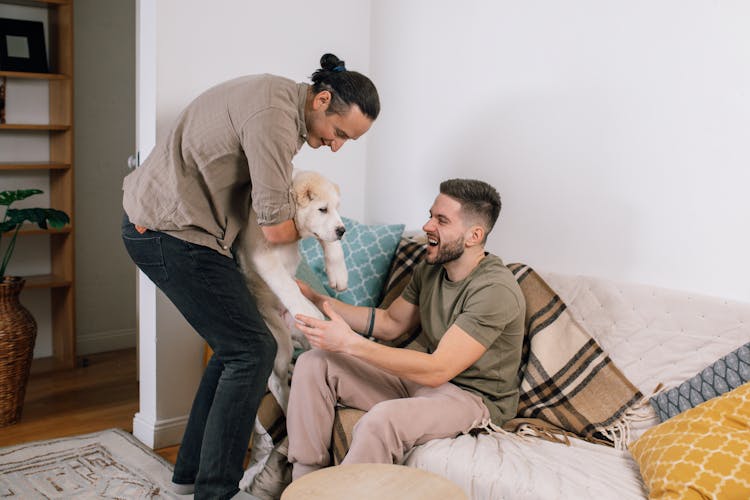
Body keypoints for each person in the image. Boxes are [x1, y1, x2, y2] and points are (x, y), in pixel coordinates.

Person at [120, 53, 379, 500]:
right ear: (321, 100)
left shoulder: (282, 106)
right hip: (167, 232)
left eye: (347, 142)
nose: (337, 147)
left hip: (191, 234)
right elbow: (276, 229)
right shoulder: (274, 120)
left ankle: (188, 478)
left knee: (234, 349)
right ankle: (215, 491)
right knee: (252, 348)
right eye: (339, 134)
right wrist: (329, 245)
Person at [287, 178, 526, 479]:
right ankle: (304, 483)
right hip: (422, 382)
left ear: (473, 235)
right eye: (430, 215)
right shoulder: (430, 268)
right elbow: (390, 324)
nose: (427, 226)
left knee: (381, 421)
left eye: (441, 220)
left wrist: (349, 343)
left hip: (472, 399)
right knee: (313, 363)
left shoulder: (494, 290)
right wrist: (318, 300)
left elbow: (439, 369)